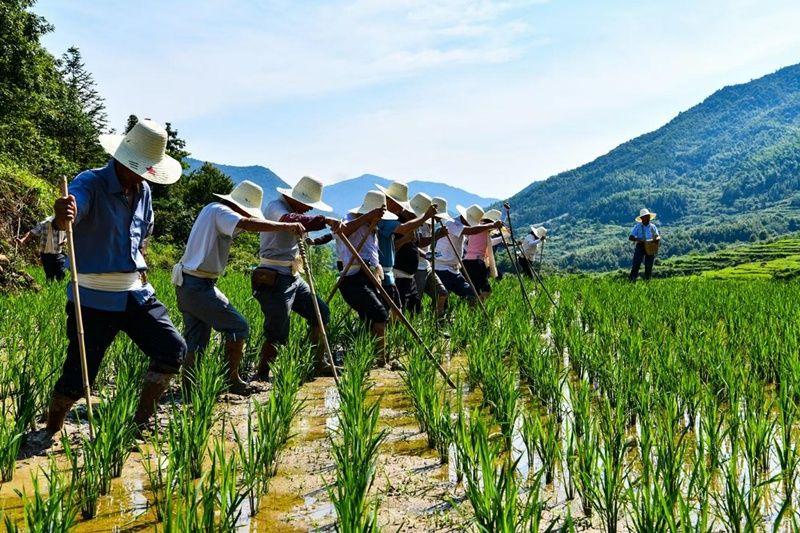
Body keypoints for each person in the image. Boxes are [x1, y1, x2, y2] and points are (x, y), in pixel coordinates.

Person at [45, 119, 187, 434]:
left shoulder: (144, 191)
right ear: (122, 158)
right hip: (93, 295)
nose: (143, 173)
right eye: (140, 167)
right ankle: (49, 430)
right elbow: (71, 209)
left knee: (172, 349)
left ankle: (141, 422)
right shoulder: (90, 182)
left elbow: (143, 233)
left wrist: (142, 264)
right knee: (78, 378)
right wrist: (62, 213)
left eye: (148, 168)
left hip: (135, 293)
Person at [173, 180, 305, 395]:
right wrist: (285, 226)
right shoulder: (220, 210)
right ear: (241, 206)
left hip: (190, 283)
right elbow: (248, 223)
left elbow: (244, 225)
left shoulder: (214, 211)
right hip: (197, 285)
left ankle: (189, 390)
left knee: (197, 340)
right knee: (238, 327)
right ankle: (231, 380)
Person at [254, 176, 342, 380]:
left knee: (321, 312)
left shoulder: (291, 210)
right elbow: (289, 221)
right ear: (296, 199)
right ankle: (262, 374)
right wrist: (326, 220)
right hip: (274, 275)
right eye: (308, 205)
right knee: (278, 327)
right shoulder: (276, 207)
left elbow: (302, 228)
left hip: (293, 275)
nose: (309, 209)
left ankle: (318, 363)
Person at [337, 191, 394, 366]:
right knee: (379, 315)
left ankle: (365, 355)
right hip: (352, 278)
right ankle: (380, 360)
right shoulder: (350, 218)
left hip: (369, 276)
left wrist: (373, 219)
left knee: (370, 317)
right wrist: (369, 216)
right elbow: (342, 230)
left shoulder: (373, 228)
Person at [375, 181, 438, 312]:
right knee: (394, 310)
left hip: (408, 276)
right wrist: (425, 217)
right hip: (395, 273)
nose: (401, 208)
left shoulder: (400, 221)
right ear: (391, 202)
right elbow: (394, 243)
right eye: (399, 205)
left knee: (413, 309)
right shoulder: (388, 221)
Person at [433, 200, 502, 304]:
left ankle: (473, 317)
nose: (471, 225)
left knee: (472, 294)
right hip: (442, 268)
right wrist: (491, 225)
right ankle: (439, 318)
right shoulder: (452, 223)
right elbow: (469, 231)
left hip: (454, 269)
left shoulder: (460, 224)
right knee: (443, 298)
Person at [414, 195, 449, 315]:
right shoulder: (418, 221)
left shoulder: (429, 224)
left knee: (442, 293)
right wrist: (438, 236)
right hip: (417, 266)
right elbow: (418, 242)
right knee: (416, 300)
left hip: (427, 265)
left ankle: (437, 319)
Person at [461, 205, 503, 301]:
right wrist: (503, 236)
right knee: (486, 289)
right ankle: (480, 307)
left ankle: (473, 309)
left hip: (466, 262)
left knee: (474, 288)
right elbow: (492, 242)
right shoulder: (485, 229)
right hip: (477, 262)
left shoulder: (476, 227)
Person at [16, 216, 67, 281]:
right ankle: (50, 288)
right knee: (50, 275)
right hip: (46, 254)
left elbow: (67, 235)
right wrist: (23, 240)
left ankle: (60, 287)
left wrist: (65, 240)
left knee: (61, 273)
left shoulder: (63, 223)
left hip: (58, 253)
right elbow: (32, 233)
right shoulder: (44, 224)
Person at [629, 208, 660, 281]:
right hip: (640, 246)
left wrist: (656, 239)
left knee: (649, 266)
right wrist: (638, 239)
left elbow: (657, 236)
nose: (648, 218)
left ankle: (647, 281)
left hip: (650, 246)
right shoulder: (637, 226)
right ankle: (632, 280)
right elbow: (631, 237)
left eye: (648, 216)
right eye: (646, 216)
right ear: (642, 218)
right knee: (636, 264)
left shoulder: (653, 227)